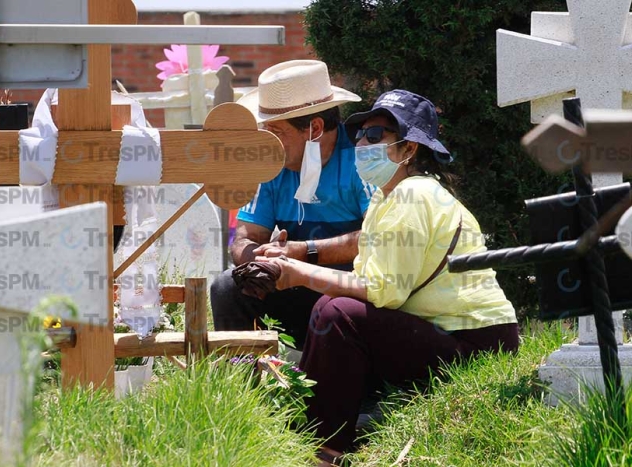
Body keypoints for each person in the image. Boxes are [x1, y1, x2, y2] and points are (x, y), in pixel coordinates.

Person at [256, 89, 519, 462]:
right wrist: (299, 265)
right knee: (332, 307)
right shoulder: (387, 198)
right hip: (441, 333)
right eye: (359, 134)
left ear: (409, 150)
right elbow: (366, 282)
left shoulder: (415, 195)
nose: (362, 143)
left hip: (477, 346)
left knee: (338, 314)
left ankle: (325, 450)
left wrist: (298, 271)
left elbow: (383, 293)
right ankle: (313, 434)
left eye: (375, 136)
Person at [211, 60, 374, 348]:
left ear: (314, 128)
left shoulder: (364, 159)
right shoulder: (269, 164)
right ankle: (245, 388)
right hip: (294, 283)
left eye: (276, 131)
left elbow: (376, 237)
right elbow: (245, 238)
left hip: (355, 289)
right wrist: (259, 260)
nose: (268, 141)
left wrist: (303, 252)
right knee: (227, 286)